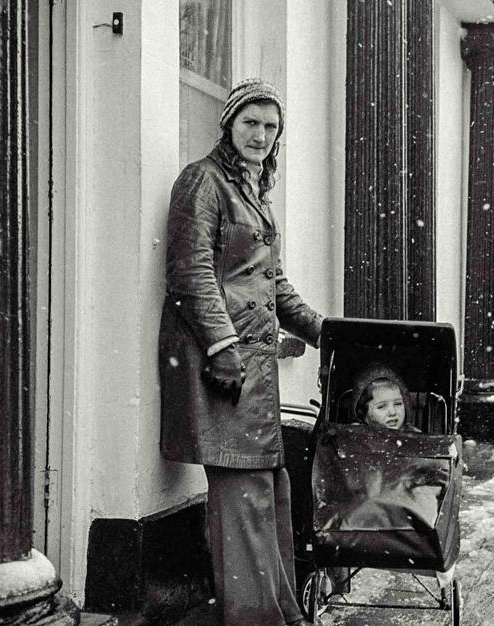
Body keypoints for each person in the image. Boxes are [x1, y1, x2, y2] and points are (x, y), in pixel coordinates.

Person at [158, 78, 322, 626]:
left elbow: (270, 281)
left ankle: (278, 612)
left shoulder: (254, 191)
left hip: (254, 366)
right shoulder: (202, 181)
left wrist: (325, 330)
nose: (261, 135)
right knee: (241, 491)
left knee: (269, 486)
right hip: (220, 365)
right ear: (228, 123)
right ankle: (255, 618)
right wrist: (222, 347)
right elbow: (191, 274)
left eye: (271, 127)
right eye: (251, 122)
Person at [351, 362, 418, 431]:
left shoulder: (414, 437)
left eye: (398, 404)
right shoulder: (356, 435)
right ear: (364, 414)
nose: (393, 412)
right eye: (381, 406)